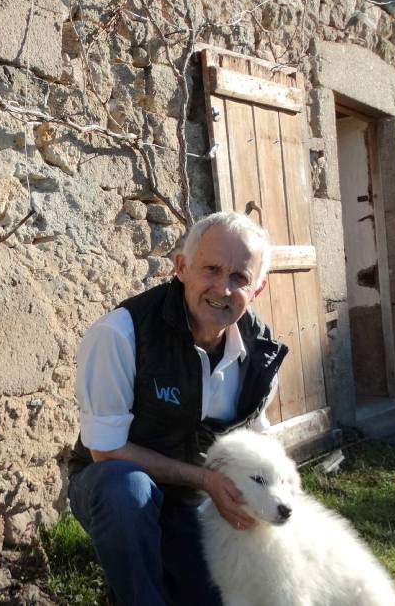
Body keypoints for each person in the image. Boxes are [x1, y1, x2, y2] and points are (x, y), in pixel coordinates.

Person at [67, 211, 288, 606]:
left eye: (239, 277)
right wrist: (207, 481)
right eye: (211, 269)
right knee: (125, 490)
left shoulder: (261, 349)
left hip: (196, 502)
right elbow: (106, 451)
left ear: (258, 288)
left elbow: (257, 437)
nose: (222, 288)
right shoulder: (121, 334)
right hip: (113, 489)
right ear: (182, 267)